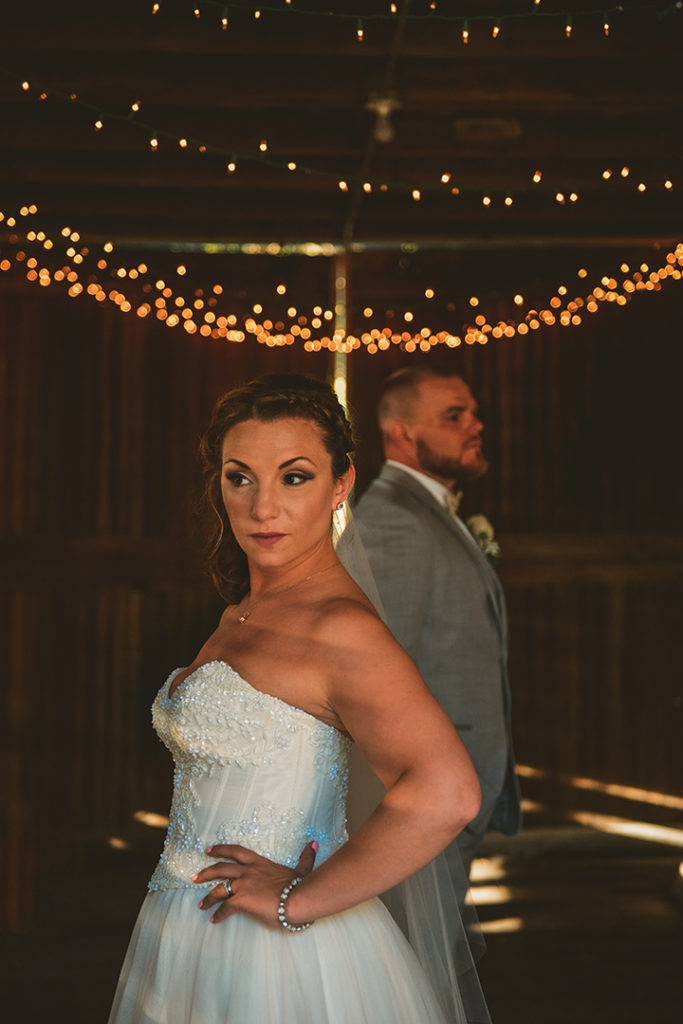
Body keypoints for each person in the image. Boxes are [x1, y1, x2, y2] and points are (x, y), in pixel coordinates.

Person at [107, 373, 490, 1024]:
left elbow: (447, 792)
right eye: (240, 477)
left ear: (340, 484)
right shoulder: (245, 611)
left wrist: (300, 901)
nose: (262, 508)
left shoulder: (339, 628)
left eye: (294, 476)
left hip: (276, 960)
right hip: (182, 928)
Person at [354, 366, 522, 888]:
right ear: (402, 433)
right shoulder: (392, 520)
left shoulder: (432, 510)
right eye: (455, 416)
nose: (476, 425)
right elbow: (374, 670)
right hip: (429, 788)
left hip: (458, 783)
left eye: (473, 413)